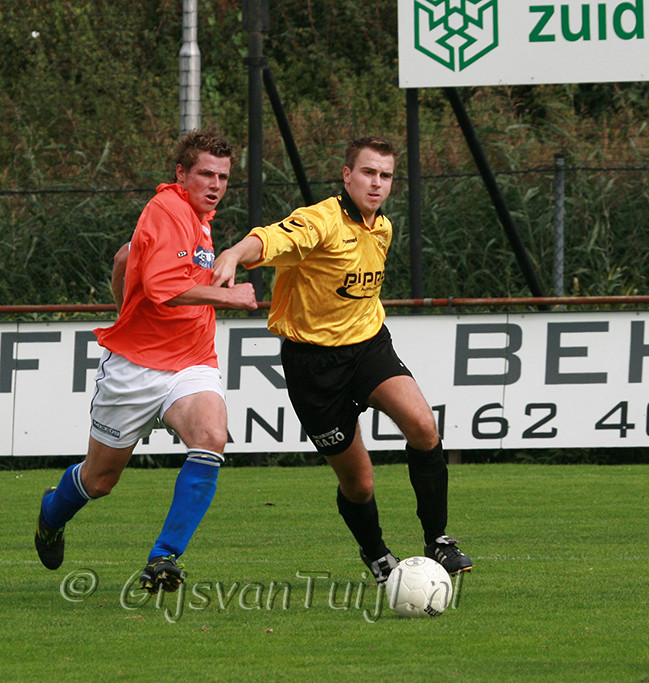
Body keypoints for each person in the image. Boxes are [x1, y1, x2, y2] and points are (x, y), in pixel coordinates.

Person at [211, 135, 472, 584]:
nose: (377, 183)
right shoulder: (320, 221)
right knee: (359, 482)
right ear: (347, 175)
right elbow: (270, 238)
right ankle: (376, 553)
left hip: (369, 347)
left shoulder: (382, 227)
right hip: (313, 365)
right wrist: (235, 253)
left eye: (386, 175)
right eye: (368, 172)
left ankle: (438, 541)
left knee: (423, 426)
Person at [34, 130, 258, 594]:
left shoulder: (199, 217)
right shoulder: (167, 208)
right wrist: (228, 296)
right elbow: (163, 288)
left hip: (192, 361)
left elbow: (125, 256)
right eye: (205, 174)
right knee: (99, 481)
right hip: (135, 369)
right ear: (181, 173)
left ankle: (164, 557)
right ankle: (51, 515)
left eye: (222, 177)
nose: (215, 185)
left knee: (212, 436)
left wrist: (125, 301)